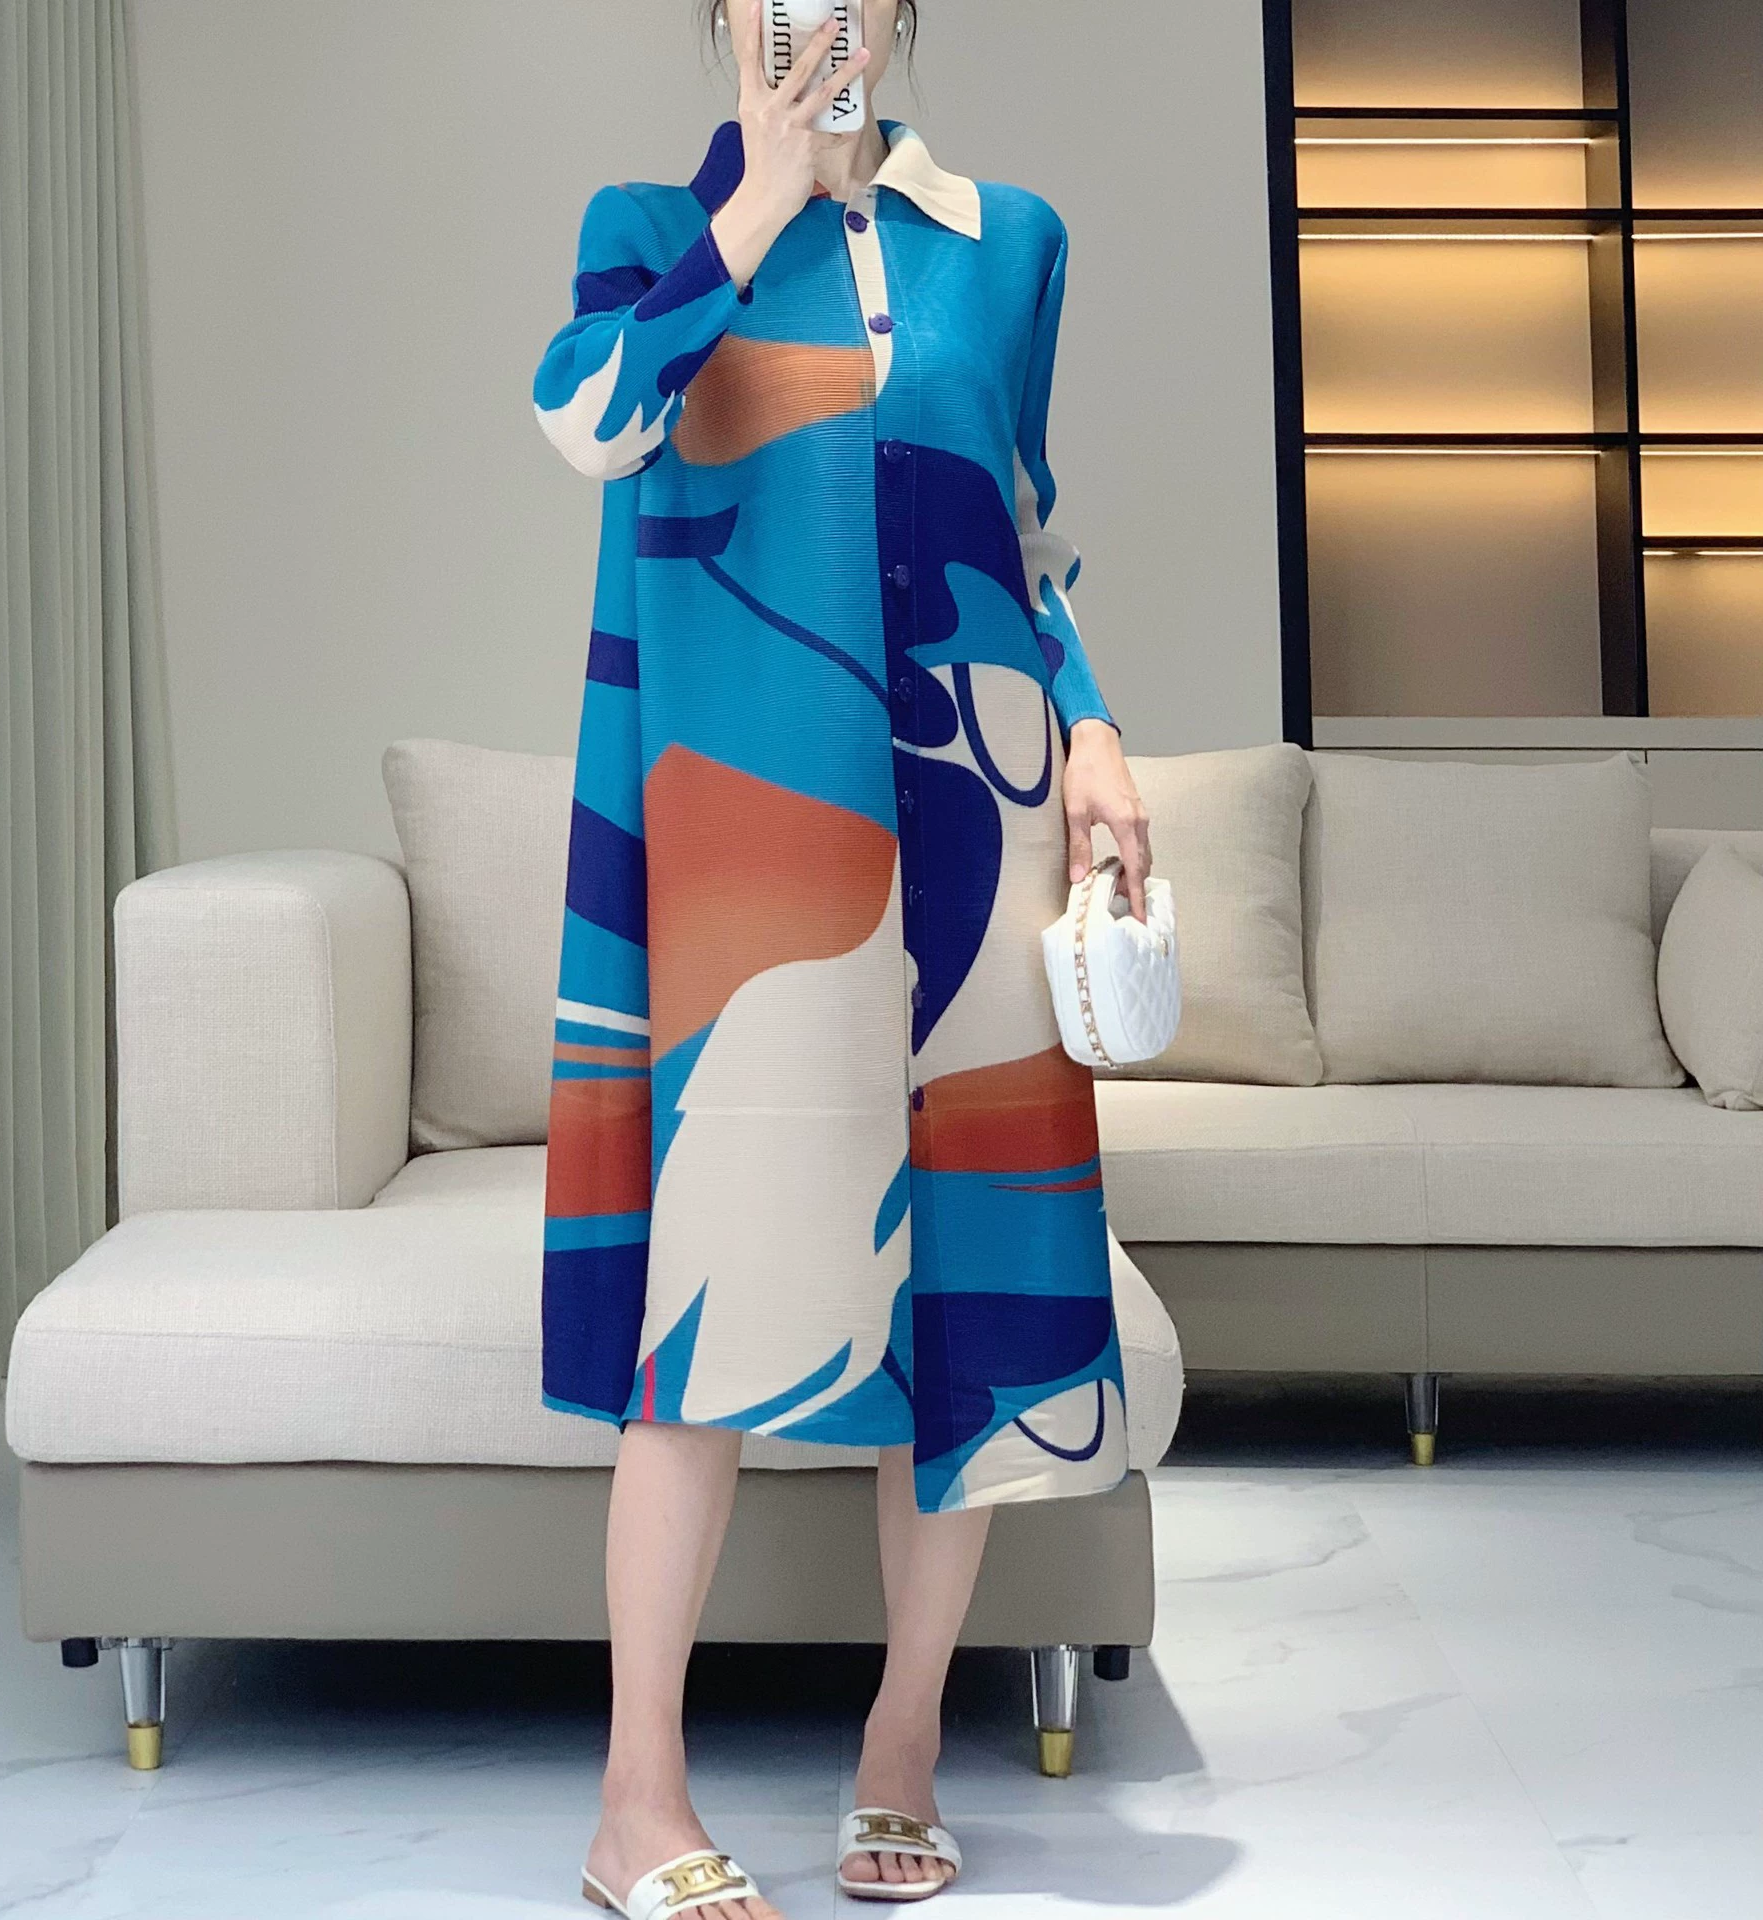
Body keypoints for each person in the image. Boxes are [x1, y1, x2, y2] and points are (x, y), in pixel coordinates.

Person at [531, 4, 1153, 1914]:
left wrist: (1095, 723)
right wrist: (757, 203)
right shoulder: (652, 224)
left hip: (983, 807)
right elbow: (592, 420)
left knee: (959, 1293)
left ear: (898, 14)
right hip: (756, 864)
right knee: (704, 1316)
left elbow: (1024, 532)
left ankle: (902, 1746)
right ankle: (637, 1800)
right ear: (728, 21)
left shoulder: (1011, 241)